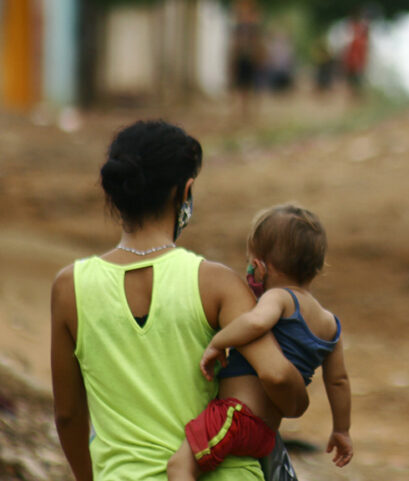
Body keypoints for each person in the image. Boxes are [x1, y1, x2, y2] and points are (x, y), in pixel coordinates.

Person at [51, 120, 308, 481]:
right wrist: (298, 400)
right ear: (184, 192)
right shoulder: (216, 283)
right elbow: (277, 375)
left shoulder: (69, 288)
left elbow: (67, 415)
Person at [167, 204, 353, 480]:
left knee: (179, 466)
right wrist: (341, 430)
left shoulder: (279, 298)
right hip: (266, 433)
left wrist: (218, 342)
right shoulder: (329, 323)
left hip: (235, 417)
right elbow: (338, 381)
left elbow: (255, 323)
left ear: (260, 266)